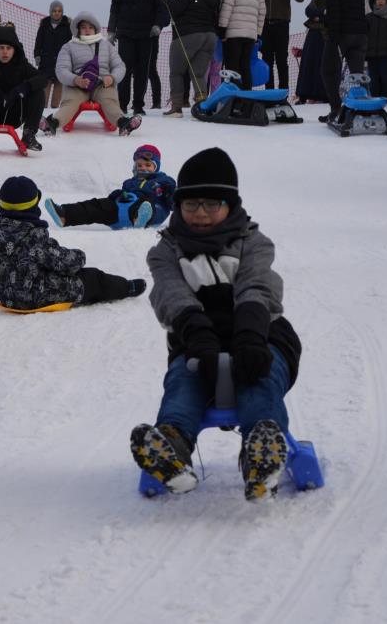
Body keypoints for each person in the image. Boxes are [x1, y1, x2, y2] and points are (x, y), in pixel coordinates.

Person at [129, 147, 302, 502]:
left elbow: (257, 286)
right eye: (191, 205)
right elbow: (171, 294)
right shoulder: (165, 250)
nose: (201, 214)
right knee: (184, 383)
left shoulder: (253, 242)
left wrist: (251, 336)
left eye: (211, 204)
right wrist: (198, 334)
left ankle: (261, 451)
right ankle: (171, 447)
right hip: (196, 339)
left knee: (258, 379)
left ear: (230, 205)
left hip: (260, 334)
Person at [0, 176, 148, 311]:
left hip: (8, 297)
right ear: (33, 205)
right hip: (36, 298)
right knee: (92, 278)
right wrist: (80, 256)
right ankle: (126, 287)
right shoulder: (32, 235)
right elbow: (65, 263)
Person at [39, 12, 141, 137]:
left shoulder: (106, 46)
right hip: (77, 85)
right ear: (78, 30)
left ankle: (123, 123)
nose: (87, 30)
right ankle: (52, 124)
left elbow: (120, 66)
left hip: (102, 84)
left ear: (95, 29)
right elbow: (61, 70)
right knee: (70, 102)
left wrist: (112, 78)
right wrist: (75, 79)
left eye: (90, 27)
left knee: (109, 100)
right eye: (83, 27)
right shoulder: (68, 47)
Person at [43, 144, 176, 229]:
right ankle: (65, 214)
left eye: (148, 165)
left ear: (156, 167)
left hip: (154, 211)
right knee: (98, 205)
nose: (143, 168)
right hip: (122, 214)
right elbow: (123, 196)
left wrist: (170, 194)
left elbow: (174, 204)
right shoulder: (129, 183)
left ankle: (140, 217)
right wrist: (118, 195)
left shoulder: (164, 181)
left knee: (146, 203)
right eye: (139, 165)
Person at [108, 0, 169, 115]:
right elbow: (114, 8)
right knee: (124, 70)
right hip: (125, 34)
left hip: (146, 35)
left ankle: (138, 105)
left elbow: (162, 9)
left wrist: (158, 25)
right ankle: (122, 104)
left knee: (142, 71)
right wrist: (111, 29)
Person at [164, 0, 222, 116]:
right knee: (199, 74)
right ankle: (203, 106)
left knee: (177, 72)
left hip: (188, 34)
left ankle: (176, 107)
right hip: (210, 36)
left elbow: (176, 10)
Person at [320, 0, 369, 121]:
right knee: (358, 75)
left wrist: (333, 38)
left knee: (329, 71)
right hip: (360, 34)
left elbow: (334, 11)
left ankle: (336, 109)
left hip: (342, 34)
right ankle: (364, 108)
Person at [218, 0, 267, 91]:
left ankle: (233, 96)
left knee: (232, 67)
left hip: (233, 33)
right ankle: (247, 96)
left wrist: (222, 28)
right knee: (245, 66)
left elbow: (227, 5)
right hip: (250, 35)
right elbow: (262, 11)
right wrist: (257, 33)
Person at [33, 0, 72, 110]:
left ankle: (53, 116)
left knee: (56, 99)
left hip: (61, 65)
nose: (56, 13)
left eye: (59, 11)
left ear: (62, 12)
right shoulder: (44, 25)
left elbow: (70, 45)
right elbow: (38, 42)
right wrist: (37, 55)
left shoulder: (67, 26)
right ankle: (42, 114)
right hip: (46, 64)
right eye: (54, 11)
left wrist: (69, 60)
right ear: (50, 12)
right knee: (43, 95)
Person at [263, 0, 306, 90]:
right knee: (267, 60)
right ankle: (269, 94)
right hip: (264, 25)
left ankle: (283, 94)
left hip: (282, 24)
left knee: (281, 60)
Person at [295, 0, 329, 103]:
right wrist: (323, 14)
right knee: (308, 65)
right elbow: (309, 10)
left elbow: (334, 17)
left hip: (327, 37)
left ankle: (324, 95)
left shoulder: (337, 1)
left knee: (324, 66)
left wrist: (321, 17)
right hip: (313, 36)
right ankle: (303, 95)